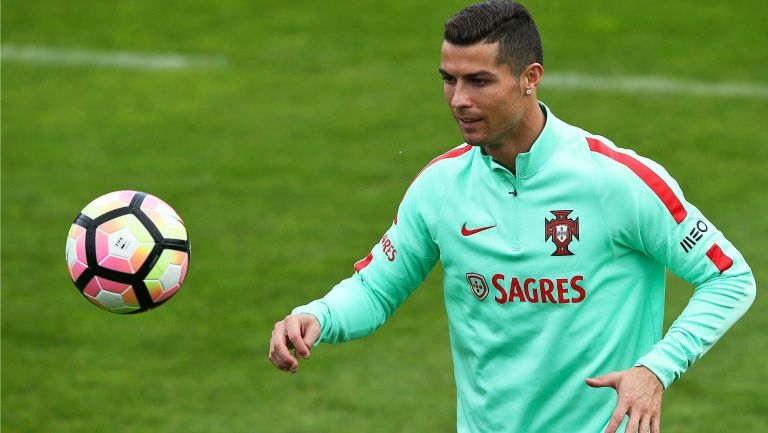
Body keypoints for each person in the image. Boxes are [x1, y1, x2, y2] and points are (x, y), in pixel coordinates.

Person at [268, 1, 756, 432]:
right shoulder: (441, 186)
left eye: (479, 81)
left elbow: (730, 276)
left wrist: (655, 370)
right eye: (449, 79)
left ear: (530, 78)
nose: (459, 99)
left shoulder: (615, 182)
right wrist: (317, 315)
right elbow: (376, 288)